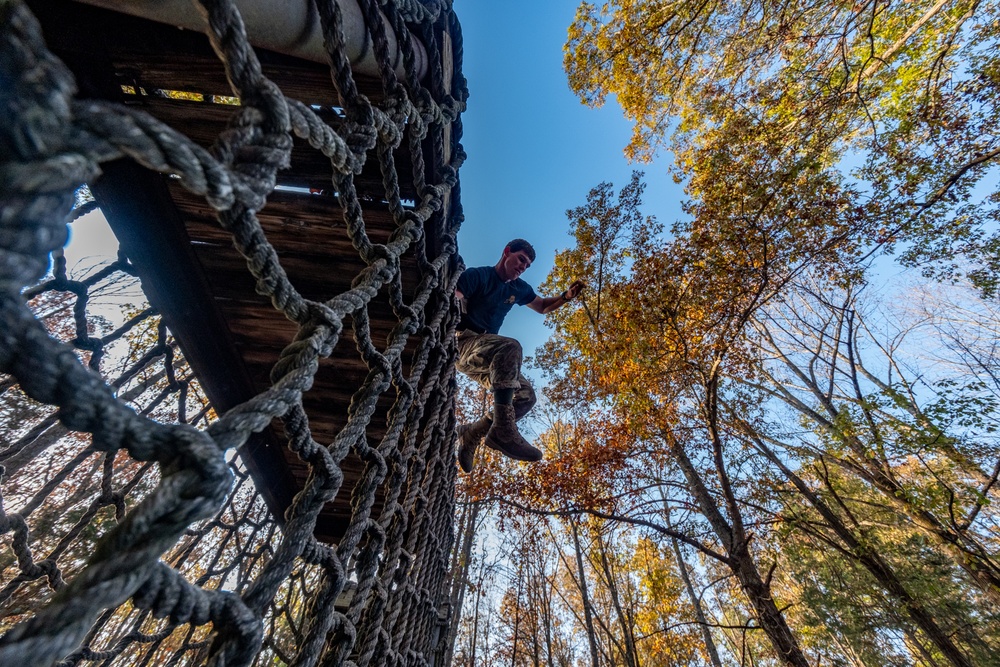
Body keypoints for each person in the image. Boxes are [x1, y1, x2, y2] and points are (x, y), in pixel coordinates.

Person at [454, 239, 585, 473]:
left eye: (527, 265)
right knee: (510, 347)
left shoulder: (518, 289)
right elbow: (453, 297)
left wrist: (565, 297)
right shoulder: (479, 276)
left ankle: (472, 433)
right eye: (521, 259)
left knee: (525, 397)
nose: (523, 267)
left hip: (488, 355)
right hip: (462, 344)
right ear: (506, 252)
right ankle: (503, 431)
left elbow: (543, 306)